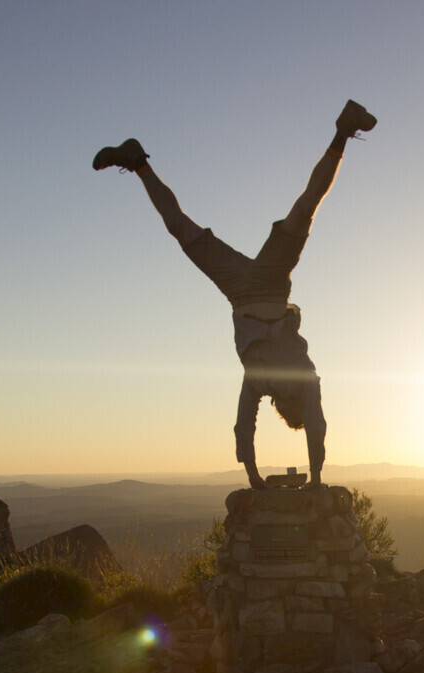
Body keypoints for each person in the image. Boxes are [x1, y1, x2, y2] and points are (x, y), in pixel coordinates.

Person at [92, 100, 377, 489]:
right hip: (258, 287)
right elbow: (293, 425)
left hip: (247, 289)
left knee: (292, 209)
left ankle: (138, 161)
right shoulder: (287, 378)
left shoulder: (270, 380)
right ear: (288, 408)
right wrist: (292, 476)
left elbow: (257, 425)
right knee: (284, 211)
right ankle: (343, 129)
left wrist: (266, 474)